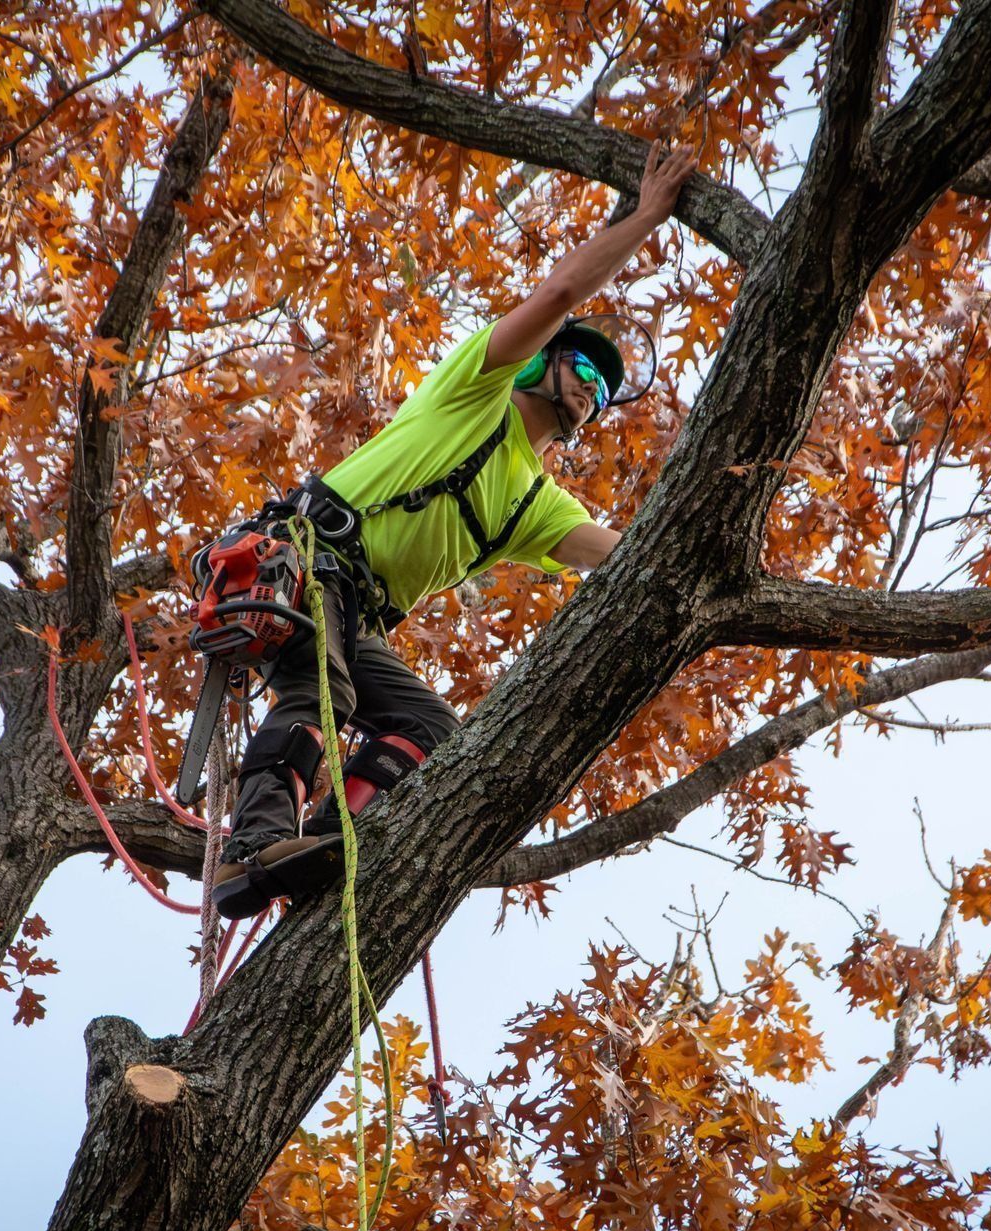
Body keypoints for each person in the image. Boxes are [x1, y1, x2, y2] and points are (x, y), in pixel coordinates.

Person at [210, 141, 700, 919]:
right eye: (584, 368)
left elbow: (635, 559)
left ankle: (331, 842)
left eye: (605, 390)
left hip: (355, 609)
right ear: (545, 363)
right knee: (323, 689)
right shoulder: (476, 390)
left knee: (432, 728)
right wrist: (645, 218)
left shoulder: (534, 504)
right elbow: (564, 288)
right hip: (309, 555)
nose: (593, 388)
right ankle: (252, 848)